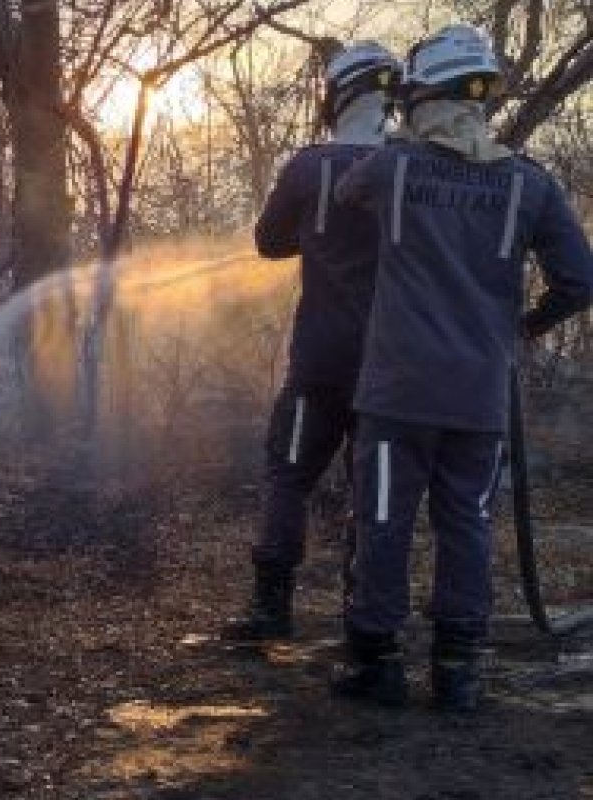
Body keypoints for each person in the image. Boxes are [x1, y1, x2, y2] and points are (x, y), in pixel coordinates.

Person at [332, 23, 593, 711]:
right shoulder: (527, 186)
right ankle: (458, 673)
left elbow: (342, 196)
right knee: (466, 522)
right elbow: (579, 280)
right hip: (478, 395)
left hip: (396, 393)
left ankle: (377, 664)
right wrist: (524, 328)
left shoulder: (393, 168)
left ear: (425, 98)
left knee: (384, 517)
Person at [222, 41, 402, 641]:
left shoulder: (310, 167)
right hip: (392, 368)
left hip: (320, 365)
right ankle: (366, 616)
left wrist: (320, 232)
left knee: (288, 474)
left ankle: (271, 610)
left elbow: (270, 242)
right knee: (375, 489)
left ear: (339, 94)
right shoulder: (411, 166)